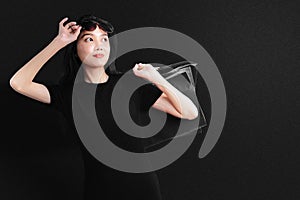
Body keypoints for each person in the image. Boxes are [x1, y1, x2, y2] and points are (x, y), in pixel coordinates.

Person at [9, 14, 199, 200]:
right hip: (100, 190)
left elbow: (190, 112)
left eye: (104, 39)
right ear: (75, 48)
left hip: (142, 188)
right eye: (89, 39)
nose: (99, 45)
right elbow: (18, 83)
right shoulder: (68, 94)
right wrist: (60, 41)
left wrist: (155, 78)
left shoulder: (128, 84)